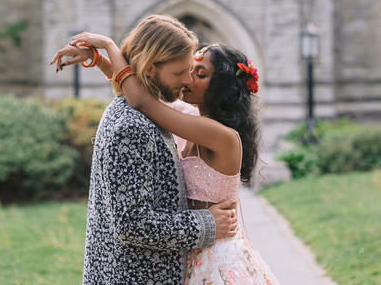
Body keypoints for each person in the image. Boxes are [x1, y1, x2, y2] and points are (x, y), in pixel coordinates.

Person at [57, 28, 281, 285]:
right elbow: (139, 90)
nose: (188, 77)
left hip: (215, 257)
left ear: (221, 90)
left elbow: (143, 102)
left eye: (200, 74)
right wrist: (98, 61)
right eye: (187, 69)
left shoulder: (221, 135)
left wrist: (109, 45)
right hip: (190, 247)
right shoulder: (188, 115)